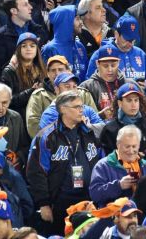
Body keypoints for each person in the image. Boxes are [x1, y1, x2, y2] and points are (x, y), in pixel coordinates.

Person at [27, 91, 103, 235]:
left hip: (88, 200)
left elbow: (100, 164)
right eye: (76, 107)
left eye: (82, 106)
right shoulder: (47, 137)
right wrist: (44, 204)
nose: (82, 110)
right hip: (60, 203)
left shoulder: (90, 133)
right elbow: (36, 172)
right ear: (62, 109)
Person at [89, 124, 146, 207]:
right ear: (118, 144)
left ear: (139, 146)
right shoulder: (103, 166)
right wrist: (119, 185)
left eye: (134, 146)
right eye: (127, 146)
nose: (131, 151)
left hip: (141, 216)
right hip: (113, 218)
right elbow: (95, 195)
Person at [99, 83, 146, 159]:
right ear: (120, 103)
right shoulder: (109, 130)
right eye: (129, 100)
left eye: (136, 100)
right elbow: (107, 159)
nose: (133, 104)